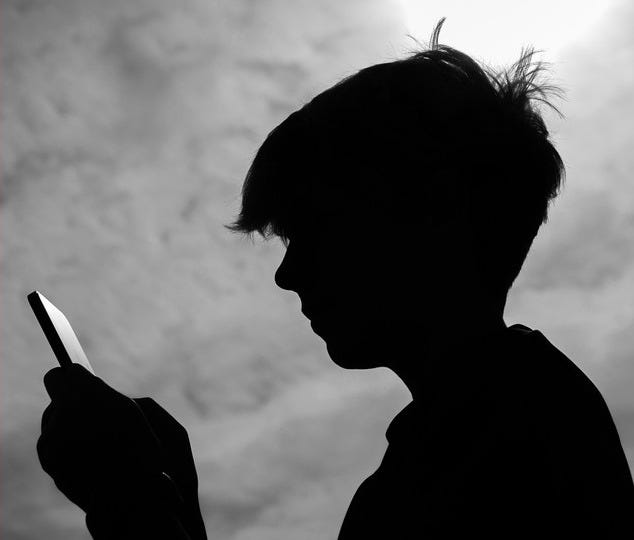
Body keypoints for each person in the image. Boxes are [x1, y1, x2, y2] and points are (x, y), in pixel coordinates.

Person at [38, 20, 634, 539]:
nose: (287, 274)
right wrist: (172, 509)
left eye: (312, 231)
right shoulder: (482, 426)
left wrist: (132, 506)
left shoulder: (501, 449)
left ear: (427, 215)